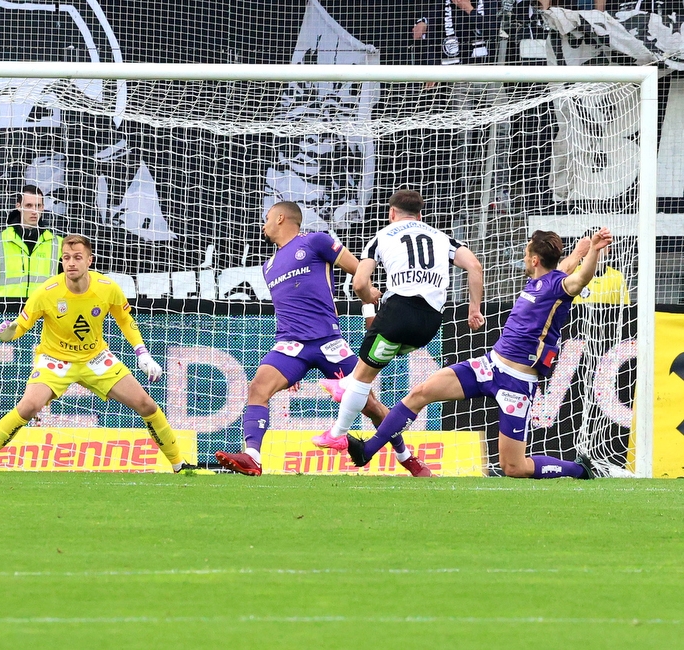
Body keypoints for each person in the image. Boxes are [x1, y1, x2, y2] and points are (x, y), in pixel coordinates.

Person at [342, 228, 613, 480]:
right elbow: (565, 269)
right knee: (420, 393)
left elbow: (579, 279)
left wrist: (593, 252)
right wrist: (578, 252)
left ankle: (579, 471)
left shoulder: (559, 287)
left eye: (526, 252)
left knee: (514, 467)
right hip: (489, 366)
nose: (523, 256)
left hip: (517, 383)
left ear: (533, 260)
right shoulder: (546, 279)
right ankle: (368, 450)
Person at [213, 201, 427, 477]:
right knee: (258, 388)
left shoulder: (316, 241)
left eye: (266, 218)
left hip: (329, 343)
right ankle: (252, 456)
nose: (263, 225)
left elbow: (358, 269)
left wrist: (370, 294)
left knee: (370, 404)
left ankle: (407, 459)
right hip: (290, 345)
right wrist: (290, 370)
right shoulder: (268, 266)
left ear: (280, 218)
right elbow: (288, 308)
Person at [0, 234, 204, 473]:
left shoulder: (107, 288)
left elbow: (126, 321)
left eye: (77, 257)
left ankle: (179, 465)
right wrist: (8, 333)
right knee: (28, 406)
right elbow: (20, 326)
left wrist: (143, 354)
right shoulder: (47, 292)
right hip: (55, 360)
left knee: (146, 404)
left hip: (95, 358)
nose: (71, 263)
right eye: (66, 258)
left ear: (89, 260)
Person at [313, 190, 484, 469]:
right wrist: (474, 309)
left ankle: (338, 433)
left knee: (362, 378)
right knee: (367, 369)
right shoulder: (442, 238)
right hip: (429, 325)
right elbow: (475, 266)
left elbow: (358, 284)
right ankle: (344, 386)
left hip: (398, 313)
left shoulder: (382, 236)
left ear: (392, 213)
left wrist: (369, 296)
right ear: (420, 214)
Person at [0, 185, 62, 299]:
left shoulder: (58, 244)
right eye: (29, 205)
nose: (34, 211)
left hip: (45, 312)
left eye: (38, 206)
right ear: (18, 206)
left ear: (43, 208)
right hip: (5, 313)